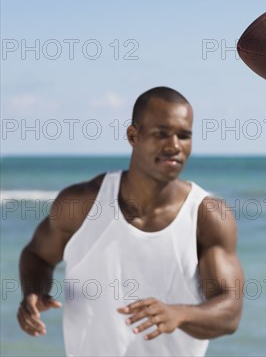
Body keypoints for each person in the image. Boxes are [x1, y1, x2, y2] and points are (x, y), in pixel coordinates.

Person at [17, 87, 244, 356]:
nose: (174, 146)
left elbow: (230, 311)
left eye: (184, 136)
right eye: (161, 134)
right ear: (133, 136)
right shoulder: (81, 203)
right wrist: (33, 293)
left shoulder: (207, 216)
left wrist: (178, 315)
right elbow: (38, 255)